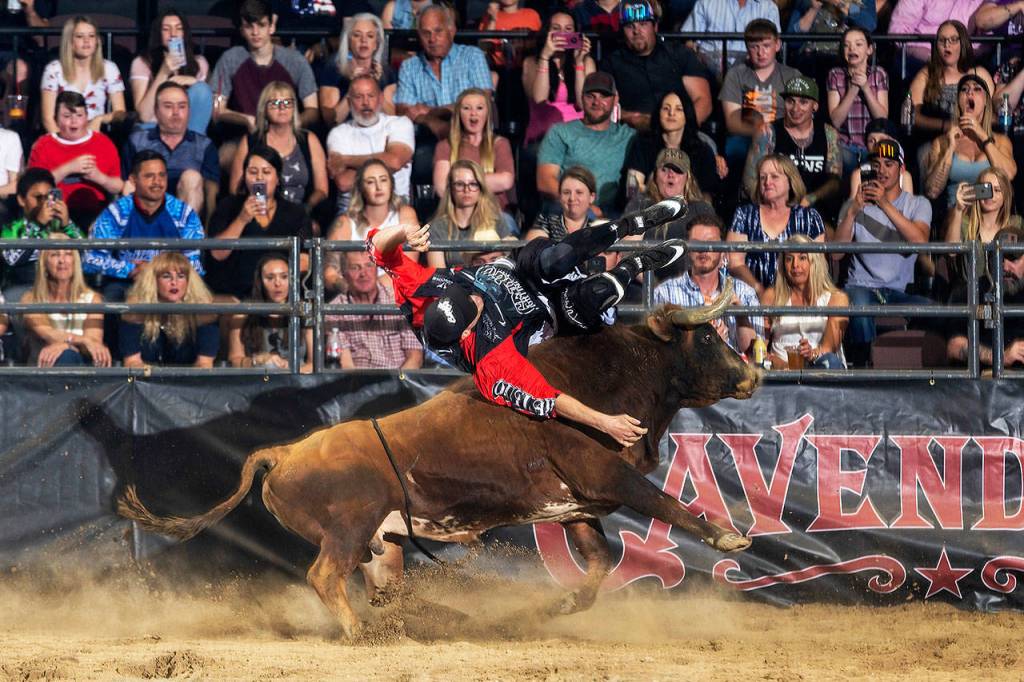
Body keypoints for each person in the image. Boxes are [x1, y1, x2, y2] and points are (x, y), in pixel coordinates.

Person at [367, 199, 688, 446]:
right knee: (593, 295)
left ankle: (633, 223)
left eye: (461, 294)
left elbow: (377, 248)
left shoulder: (420, 294)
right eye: (471, 307)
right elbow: (549, 398)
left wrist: (403, 231)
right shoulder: (491, 361)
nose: (474, 297)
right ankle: (634, 266)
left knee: (554, 260)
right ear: (466, 332)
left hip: (524, 268)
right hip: (553, 312)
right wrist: (605, 422)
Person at [834, 139, 932, 365]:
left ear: (901, 169)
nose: (881, 170)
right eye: (876, 164)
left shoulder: (918, 204)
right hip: (861, 287)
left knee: (935, 312)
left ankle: (918, 373)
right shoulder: (854, 203)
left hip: (899, 292)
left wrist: (884, 204)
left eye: (889, 164)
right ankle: (866, 368)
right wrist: (852, 212)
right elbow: (836, 254)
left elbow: (920, 241)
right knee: (859, 303)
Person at [84, 150, 205, 304]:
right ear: (133, 180)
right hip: (128, 282)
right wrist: (129, 269)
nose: (157, 182)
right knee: (110, 301)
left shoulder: (184, 213)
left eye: (162, 175)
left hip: (174, 284)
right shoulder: (116, 212)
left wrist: (155, 270)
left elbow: (195, 263)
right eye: (149, 176)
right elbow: (91, 259)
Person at [206, 145, 313, 300]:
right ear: (244, 176)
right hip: (237, 294)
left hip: (281, 295)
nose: (259, 178)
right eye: (253, 172)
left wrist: (277, 281)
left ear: (277, 178)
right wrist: (241, 219)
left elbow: (304, 260)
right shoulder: (228, 206)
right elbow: (217, 254)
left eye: (266, 172)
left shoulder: (295, 213)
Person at [655, 214, 763, 354]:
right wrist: (704, 344)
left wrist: (740, 314)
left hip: (733, 367)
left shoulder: (745, 293)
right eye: (697, 243)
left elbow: (756, 353)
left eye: (711, 243)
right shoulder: (664, 293)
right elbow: (658, 351)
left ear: (722, 249)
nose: (704, 249)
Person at [208, 0, 319, 133]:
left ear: (271, 27)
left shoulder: (295, 61)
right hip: (243, 135)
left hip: (287, 134)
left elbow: (313, 109)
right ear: (242, 30)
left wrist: (292, 124)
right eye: (249, 26)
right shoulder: (230, 59)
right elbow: (217, 109)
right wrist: (246, 120)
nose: (255, 32)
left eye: (261, 25)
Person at [742, 76, 843, 219]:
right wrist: (774, 205)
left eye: (803, 102)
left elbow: (835, 182)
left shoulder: (829, 134)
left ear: (815, 106)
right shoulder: (768, 132)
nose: (796, 108)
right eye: (790, 101)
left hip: (814, 208)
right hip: (774, 208)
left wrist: (811, 198)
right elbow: (750, 181)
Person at [600, 0, 713, 127]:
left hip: (683, 130)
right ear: (622, 30)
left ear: (655, 27)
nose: (636, 31)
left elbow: (703, 101)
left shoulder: (680, 54)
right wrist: (631, 118)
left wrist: (679, 130)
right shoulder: (611, 63)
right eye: (630, 26)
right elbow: (602, 105)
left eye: (643, 24)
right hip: (631, 132)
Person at [537, 72, 635, 216]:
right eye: (591, 96)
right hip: (570, 209)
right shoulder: (561, 132)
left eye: (604, 96)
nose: (597, 102)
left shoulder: (628, 136)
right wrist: (584, 206)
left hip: (613, 213)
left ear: (615, 99)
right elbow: (545, 181)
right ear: (582, 98)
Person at [728, 154, 826, 296]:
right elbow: (735, 263)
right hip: (751, 296)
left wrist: (791, 297)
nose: (767, 182)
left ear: (790, 181)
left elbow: (817, 266)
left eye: (774, 177)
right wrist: (759, 290)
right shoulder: (744, 214)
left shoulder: (809, 218)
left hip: (797, 297)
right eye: (763, 177)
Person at [229, 81, 328, 220]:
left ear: (294, 107)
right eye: (275, 103)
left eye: (287, 102)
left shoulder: (309, 140)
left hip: (301, 214)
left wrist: (306, 209)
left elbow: (322, 190)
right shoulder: (250, 142)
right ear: (264, 109)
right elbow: (235, 189)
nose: (282, 107)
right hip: (261, 214)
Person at [394, 6, 492, 145]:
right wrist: (431, 122)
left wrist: (431, 112)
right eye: (426, 33)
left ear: (451, 31)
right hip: (427, 140)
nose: (432, 39)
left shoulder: (472, 57)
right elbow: (403, 111)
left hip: (471, 138)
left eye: (438, 31)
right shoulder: (409, 66)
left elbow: (482, 103)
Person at [122, 81, 220, 221]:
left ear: (189, 111)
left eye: (182, 106)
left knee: (191, 177)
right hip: (146, 209)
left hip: (187, 209)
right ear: (156, 111)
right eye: (168, 106)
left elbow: (211, 195)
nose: (176, 113)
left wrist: (211, 230)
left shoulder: (204, 145)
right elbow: (125, 183)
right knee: (130, 185)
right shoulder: (137, 141)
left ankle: (183, 233)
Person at [27, 91, 123, 227]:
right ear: (55, 119)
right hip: (53, 215)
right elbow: (33, 188)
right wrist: (67, 169)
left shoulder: (103, 143)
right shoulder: (43, 145)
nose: (74, 121)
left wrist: (99, 177)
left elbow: (118, 187)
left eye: (79, 115)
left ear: (87, 117)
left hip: (94, 215)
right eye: (67, 116)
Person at [323, 159, 418, 292]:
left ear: (391, 184)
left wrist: (371, 290)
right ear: (361, 188)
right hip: (352, 295)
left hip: (393, 294)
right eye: (370, 182)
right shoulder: (345, 223)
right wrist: (353, 290)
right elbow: (329, 273)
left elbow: (407, 268)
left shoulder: (405, 215)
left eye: (383, 180)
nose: (378, 187)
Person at [718, 20, 802, 171]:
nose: (761, 53)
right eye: (754, 47)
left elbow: (801, 114)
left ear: (777, 45)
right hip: (745, 135)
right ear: (747, 48)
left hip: (782, 134)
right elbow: (732, 122)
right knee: (735, 148)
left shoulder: (792, 75)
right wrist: (759, 132)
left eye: (766, 46)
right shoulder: (736, 74)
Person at [326, 75, 415, 214]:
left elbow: (395, 161)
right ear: (349, 102)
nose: (366, 102)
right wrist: (385, 159)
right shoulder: (338, 133)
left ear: (381, 99)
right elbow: (344, 182)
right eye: (358, 97)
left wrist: (346, 160)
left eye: (371, 96)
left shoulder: (400, 124)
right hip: (352, 210)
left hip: (395, 207)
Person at [924, 75, 1016, 209]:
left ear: (986, 101)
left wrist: (983, 136)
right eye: (964, 89)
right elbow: (932, 191)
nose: (969, 92)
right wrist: (950, 148)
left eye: (977, 89)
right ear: (959, 101)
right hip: (957, 213)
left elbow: (1009, 175)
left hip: (989, 213)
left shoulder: (1001, 141)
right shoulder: (943, 141)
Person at [21, 233, 110, 367]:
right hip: (43, 370)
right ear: (44, 264)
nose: (62, 260)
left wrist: (65, 345)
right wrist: (79, 342)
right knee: (66, 355)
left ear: (75, 261)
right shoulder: (30, 300)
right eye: (54, 255)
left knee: (68, 355)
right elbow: (49, 335)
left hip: (81, 366)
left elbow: (93, 345)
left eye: (68, 254)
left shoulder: (93, 300)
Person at [325, 250, 423, 369]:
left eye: (369, 265)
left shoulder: (400, 302)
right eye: (355, 268)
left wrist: (399, 380)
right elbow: (346, 365)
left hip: (399, 377)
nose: (363, 273)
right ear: (344, 275)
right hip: (357, 378)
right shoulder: (335, 310)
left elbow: (415, 358)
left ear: (377, 269)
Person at [761, 235, 848, 369]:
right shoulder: (772, 296)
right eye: (789, 259)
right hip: (781, 370)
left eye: (802, 258)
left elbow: (830, 348)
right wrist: (780, 365)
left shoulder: (836, 299)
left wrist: (811, 354)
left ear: (814, 262)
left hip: (819, 368)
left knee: (830, 361)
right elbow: (760, 346)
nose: (795, 265)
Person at [119, 251, 218, 368]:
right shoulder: (137, 308)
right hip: (147, 377)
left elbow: (205, 364)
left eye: (181, 276)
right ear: (154, 281)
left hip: (188, 377)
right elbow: (132, 362)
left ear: (188, 281)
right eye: (166, 276)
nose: (174, 282)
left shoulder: (202, 310)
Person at [1, 168, 83, 307]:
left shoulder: (61, 226)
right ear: (21, 200)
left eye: (48, 197)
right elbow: (12, 259)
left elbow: (87, 256)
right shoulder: (11, 229)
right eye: (38, 198)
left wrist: (67, 225)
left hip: (62, 288)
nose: (44, 203)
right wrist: (37, 225)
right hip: (24, 288)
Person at [624, 90, 724, 200]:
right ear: (658, 113)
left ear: (687, 114)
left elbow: (706, 198)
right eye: (666, 108)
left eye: (679, 109)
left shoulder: (702, 151)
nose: (671, 113)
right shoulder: (643, 144)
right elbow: (632, 188)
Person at [947, 225, 1024, 366]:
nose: (1005, 267)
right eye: (999, 258)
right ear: (989, 259)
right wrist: (999, 358)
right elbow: (954, 347)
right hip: (984, 376)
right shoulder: (970, 292)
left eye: (1013, 259)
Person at [129, 9, 212, 135]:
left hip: (188, 129)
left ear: (184, 33)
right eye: (166, 29)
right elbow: (144, 115)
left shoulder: (199, 63)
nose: (173, 34)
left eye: (179, 28)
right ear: (158, 33)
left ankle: (191, 143)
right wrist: (163, 72)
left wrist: (194, 81)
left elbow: (204, 107)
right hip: (153, 129)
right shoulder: (142, 62)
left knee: (201, 88)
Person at [40, 15, 126, 134]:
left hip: (95, 136)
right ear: (69, 41)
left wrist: (100, 119)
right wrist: (63, 141)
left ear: (97, 41)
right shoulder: (54, 70)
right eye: (80, 36)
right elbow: (47, 118)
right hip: (62, 135)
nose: (87, 41)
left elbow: (120, 112)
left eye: (91, 36)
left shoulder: (109, 68)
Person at [909, 21, 993, 141]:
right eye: (942, 40)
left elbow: (993, 113)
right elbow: (912, 115)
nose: (946, 45)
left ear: (963, 43)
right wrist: (946, 126)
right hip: (937, 138)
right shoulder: (927, 74)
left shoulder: (979, 73)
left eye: (953, 40)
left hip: (975, 137)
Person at [228, 253, 313, 372]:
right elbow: (235, 360)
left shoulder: (304, 310)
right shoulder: (244, 313)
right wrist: (256, 361)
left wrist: (290, 372)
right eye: (270, 278)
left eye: (284, 277)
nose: (278, 284)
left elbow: (314, 364)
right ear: (260, 281)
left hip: (297, 379)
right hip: (260, 379)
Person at [432, 88, 515, 210]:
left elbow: (505, 181)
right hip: (456, 213)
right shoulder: (445, 146)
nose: (473, 113)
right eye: (466, 108)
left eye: (479, 108)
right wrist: (484, 181)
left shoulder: (500, 144)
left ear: (487, 113)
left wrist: (459, 183)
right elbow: (442, 188)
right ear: (459, 114)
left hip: (494, 212)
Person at [521, 11, 594, 147]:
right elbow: (539, 100)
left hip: (579, 136)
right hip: (545, 134)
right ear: (547, 32)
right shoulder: (531, 62)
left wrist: (579, 64)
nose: (563, 34)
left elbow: (584, 104)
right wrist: (545, 57)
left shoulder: (586, 62)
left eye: (568, 29)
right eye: (556, 28)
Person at [426, 160, 517, 268]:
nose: (467, 190)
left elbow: (508, 263)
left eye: (473, 184)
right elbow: (437, 272)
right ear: (450, 188)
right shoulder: (437, 227)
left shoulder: (496, 220)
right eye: (460, 184)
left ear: (481, 188)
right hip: (452, 278)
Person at [943, 166, 1021, 287]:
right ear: (976, 191)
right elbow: (951, 252)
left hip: (1007, 293)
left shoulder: (1016, 223)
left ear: (1005, 194)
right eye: (985, 189)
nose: (990, 195)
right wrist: (958, 209)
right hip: (970, 293)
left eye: (997, 190)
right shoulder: (965, 224)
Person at [826, 27, 890, 173]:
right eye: (847, 45)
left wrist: (866, 88)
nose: (852, 49)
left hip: (873, 146)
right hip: (845, 145)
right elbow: (835, 121)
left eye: (858, 44)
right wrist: (853, 90)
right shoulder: (835, 74)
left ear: (869, 49)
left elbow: (882, 118)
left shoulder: (878, 74)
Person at [318, 13, 396, 128]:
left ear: (376, 43)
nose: (363, 40)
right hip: (346, 132)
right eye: (357, 35)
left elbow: (392, 118)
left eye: (370, 36)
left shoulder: (386, 72)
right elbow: (331, 121)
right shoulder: (333, 69)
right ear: (349, 41)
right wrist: (353, 85)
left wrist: (374, 85)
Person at [625, 149, 716, 241]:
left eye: (677, 170)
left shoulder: (701, 210)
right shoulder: (640, 205)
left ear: (687, 178)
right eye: (664, 170)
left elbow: (711, 245)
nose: (671, 175)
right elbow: (628, 246)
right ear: (655, 176)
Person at [682, 0, 782, 79]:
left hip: (751, 72)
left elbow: (772, 46)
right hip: (708, 72)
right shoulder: (705, 2)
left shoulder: (768, 7)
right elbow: (689, 41)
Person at [526, 166, 600, 242]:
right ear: (560, 196)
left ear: (592, 197)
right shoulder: (546, 225)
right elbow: (531, 247)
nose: (572, 198)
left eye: (579, 192)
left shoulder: (599, 228)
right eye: (566, 192)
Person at [848, 118, 915, 197]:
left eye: (882, 139)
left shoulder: (904, 177)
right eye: (871, 141)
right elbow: (853, 203)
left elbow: (909, 204)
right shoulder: (859, 175)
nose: (877, 144)